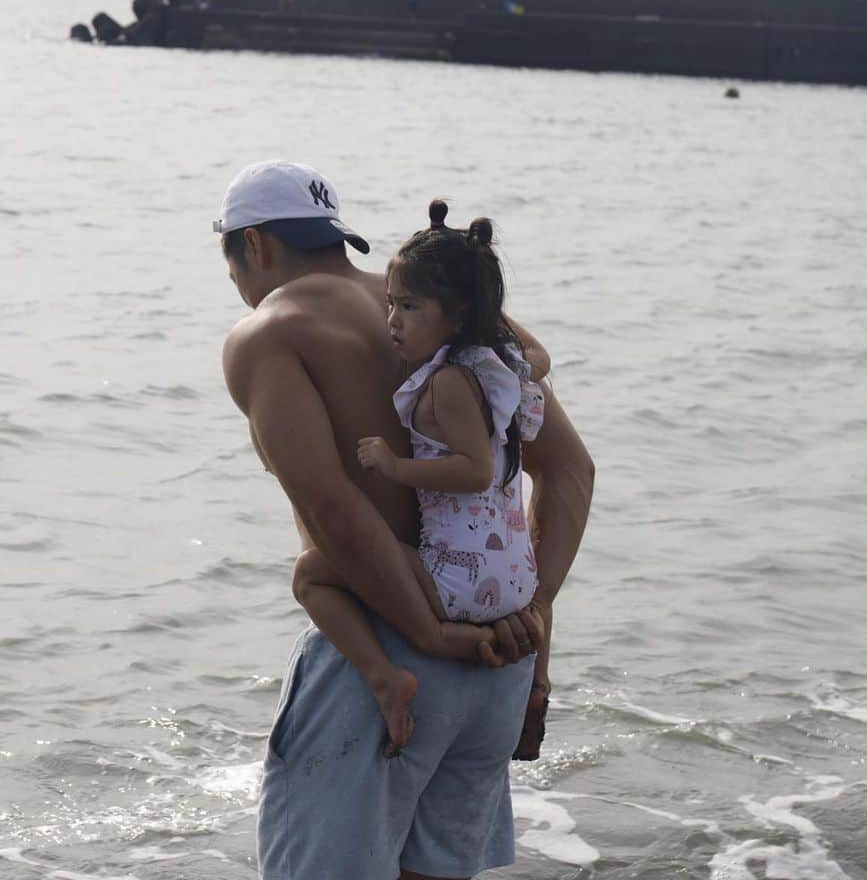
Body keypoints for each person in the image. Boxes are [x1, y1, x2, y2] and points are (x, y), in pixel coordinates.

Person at [217, 160, 594, 879]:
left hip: (391, 660)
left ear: (255, 246)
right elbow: (572, 472)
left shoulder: (267, 335)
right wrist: (533, 617)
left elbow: (331, 507)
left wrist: (426, 634)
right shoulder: (447, 313)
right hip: (501, 654)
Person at [291, 199, 552, 758]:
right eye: (390, 304)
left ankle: (385, 675)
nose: (391, 321)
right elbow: (541, 356)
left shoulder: (449, 383)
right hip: (515, 582)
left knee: (313, 573)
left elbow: (475, 470)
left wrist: (393, 466)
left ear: (456, 316)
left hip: (459, 581)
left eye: (409, 307)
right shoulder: (499, 364)